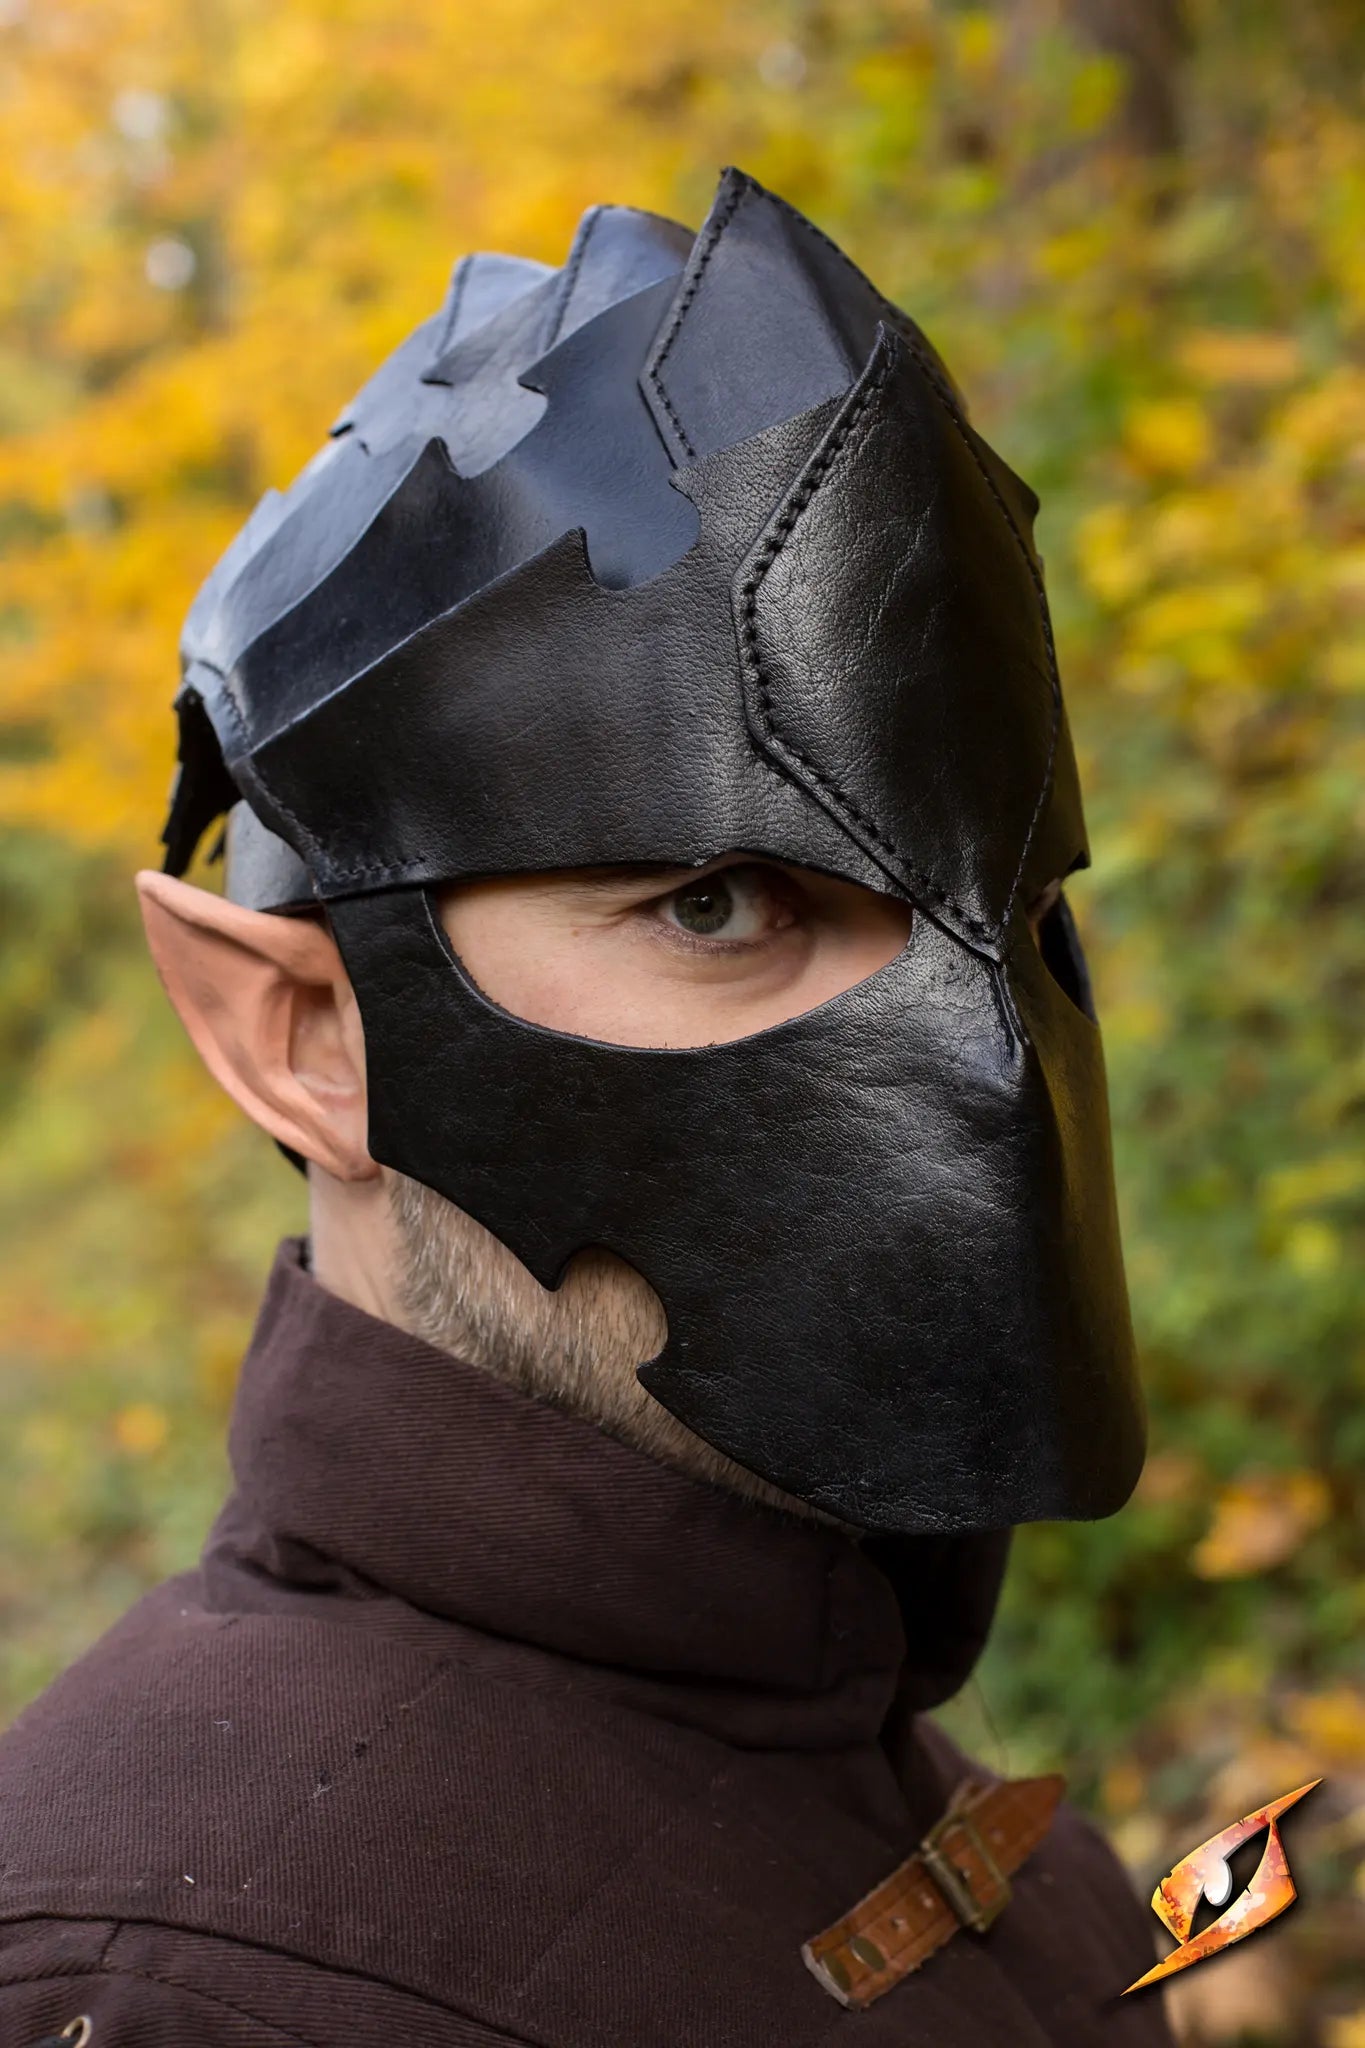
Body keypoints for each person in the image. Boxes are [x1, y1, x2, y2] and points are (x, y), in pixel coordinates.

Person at [0, 169, 1173, 2045]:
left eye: (1014, 915)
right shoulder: (180, 1993)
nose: (976, 1068)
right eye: (716, 902)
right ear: (301, 1035)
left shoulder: (924, 1792)